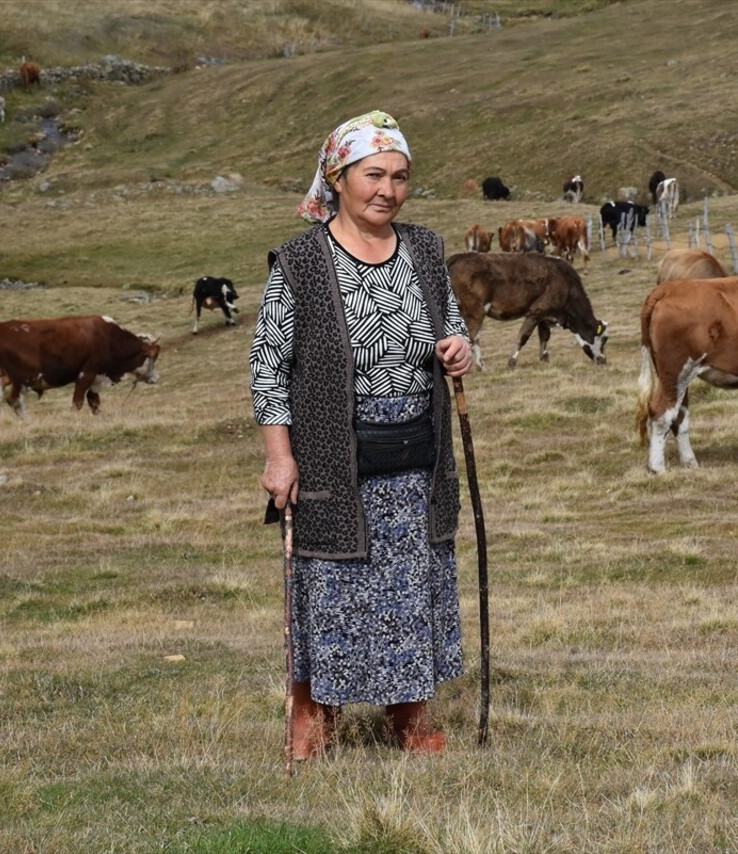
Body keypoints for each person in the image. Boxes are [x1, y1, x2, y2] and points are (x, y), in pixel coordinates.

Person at [249, 110, 474, 759]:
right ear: (338, 177)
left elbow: (449, 324)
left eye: (400, 177)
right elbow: (268, 365)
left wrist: (458, 349)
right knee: (329, 589)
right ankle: (312, 715)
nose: (388, 189)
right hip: (330, 455)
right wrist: (278, 457)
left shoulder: (426, 250)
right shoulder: (300, 262)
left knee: (410, 590)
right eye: (373, 174)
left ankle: (409, 715)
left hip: (414, 456)